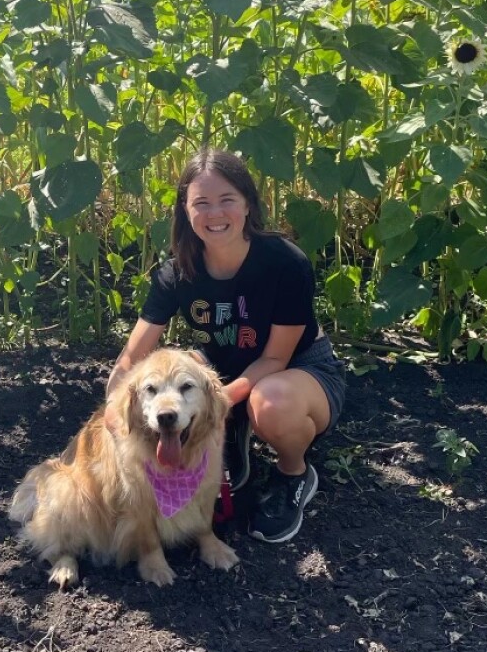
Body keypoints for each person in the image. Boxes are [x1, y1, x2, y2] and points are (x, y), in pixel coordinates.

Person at [105, 148, 346, 544]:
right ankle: (233, 434)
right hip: (222, 370)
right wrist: (112, 412)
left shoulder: (285, 263)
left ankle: (294, 474)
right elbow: (133, 356)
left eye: (227, 200)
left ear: (248, 204)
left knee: (270, 403)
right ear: (185, 211)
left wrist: (215, 406)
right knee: (176, 368)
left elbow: (273, 358)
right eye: (201, 203)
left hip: (295, 373)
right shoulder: (176, 272)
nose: (215, 214)